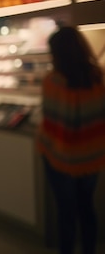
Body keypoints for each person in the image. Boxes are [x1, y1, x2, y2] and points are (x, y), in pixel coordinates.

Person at [36, 26, 105, 254]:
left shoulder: (52, 82)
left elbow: (50, 123)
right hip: (91, 159)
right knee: (87, 209)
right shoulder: (99, 80)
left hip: (59, 159)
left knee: (66, 214)